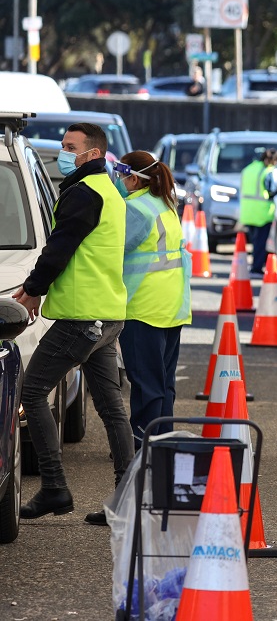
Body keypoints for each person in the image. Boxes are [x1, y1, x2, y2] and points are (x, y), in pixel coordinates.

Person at [12, 122, 134, 524]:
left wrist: (32, 289)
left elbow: (59, 248)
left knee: (31, 392)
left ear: (92, 154)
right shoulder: (109, 191)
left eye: (70, 147)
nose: (64, 153)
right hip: (108, 315)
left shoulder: (83, 194)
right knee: (112, 409)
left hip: (83, 317)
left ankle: (53, 487)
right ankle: (127, 498)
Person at [114, 152, 192, 448]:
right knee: (162, 382)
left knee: (146, 383)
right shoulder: (165, 204)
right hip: (171, 305)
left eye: (121, 175)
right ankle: (161, 441)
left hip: (143, 306)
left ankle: (142, 443)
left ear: (134, 178)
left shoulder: (135, 209)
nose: (119, 181)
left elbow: (113, 249)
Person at [239, 148, 277, 277]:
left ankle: (254, 266)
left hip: (248, 211)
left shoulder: (248, 169)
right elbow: (273, 189)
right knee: (260, 243)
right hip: (262, 213)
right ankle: (256, 268)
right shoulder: (270, 172)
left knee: (254, 241)